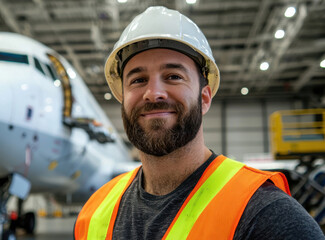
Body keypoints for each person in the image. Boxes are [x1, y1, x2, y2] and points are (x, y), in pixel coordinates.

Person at [74, 6, 324, 239]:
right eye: (138, 80)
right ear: (123, 100)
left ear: (204, 99)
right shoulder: (93, 214)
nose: (153, 93)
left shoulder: (265, 215)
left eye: (173, 76)